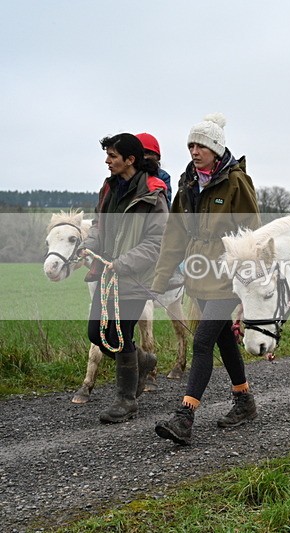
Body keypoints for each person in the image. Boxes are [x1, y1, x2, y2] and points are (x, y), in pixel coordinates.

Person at [151, 113, 261, 445]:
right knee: (224, 338)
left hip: (228, 274)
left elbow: (252, 232)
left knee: (202, 341)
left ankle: (185, 416)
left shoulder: (236, 182)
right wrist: (160, 280)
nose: (194, 151)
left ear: (216, 149)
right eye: (191, 146)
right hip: (198, 274)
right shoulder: (187, 183)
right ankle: (244, 400)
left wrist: (250, 280)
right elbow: (174, 235)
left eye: (201, 146)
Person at [80, 133, 168, 423]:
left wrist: (123, 263)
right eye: (107, 155)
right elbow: (98, 224)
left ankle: (126, 400)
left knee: (119, 335)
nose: (107, 161)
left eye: (112, 156)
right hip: (107, 274)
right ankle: (142, 360)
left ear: (130, 160)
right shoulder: (109, 188)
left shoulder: (154, 194)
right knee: (97, 334)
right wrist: (89, 245)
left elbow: (156, 242)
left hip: (134, 278)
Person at [135, 132, 173, 207]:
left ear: (157, 157)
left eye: (148, 153)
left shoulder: (163, 177)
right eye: (140, 153)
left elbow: (165, 205)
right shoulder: (123, 175)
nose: (144, 157)